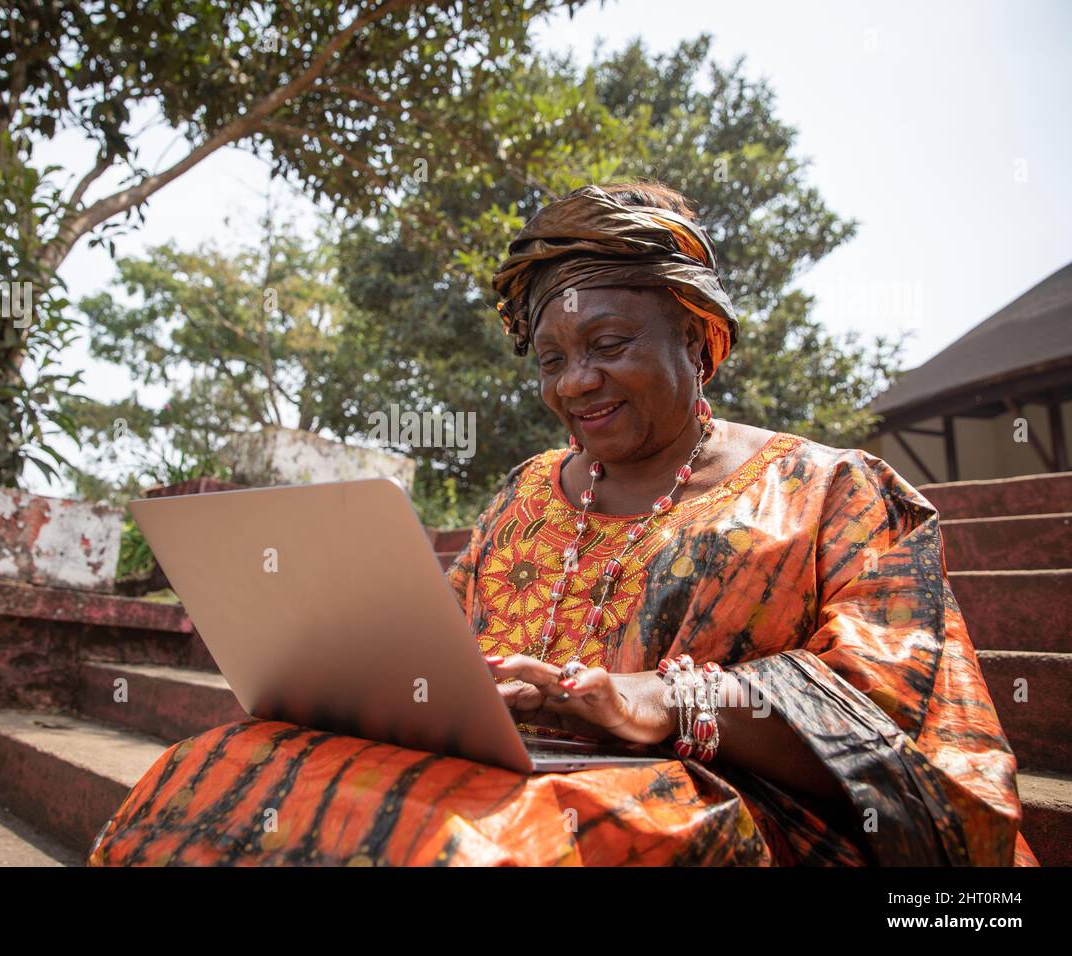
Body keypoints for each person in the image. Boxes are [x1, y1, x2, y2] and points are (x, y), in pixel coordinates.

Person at [88, 180, 1036, 866]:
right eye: (550, 359)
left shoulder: (832, 492)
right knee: (216, 767)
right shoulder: (527, 493)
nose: (576, 381)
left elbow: (906, 736)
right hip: (502, 769)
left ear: (697, 338)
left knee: (481, 847)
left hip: (711, 806)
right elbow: (444, 650)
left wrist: (660, 703)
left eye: (608, 344)